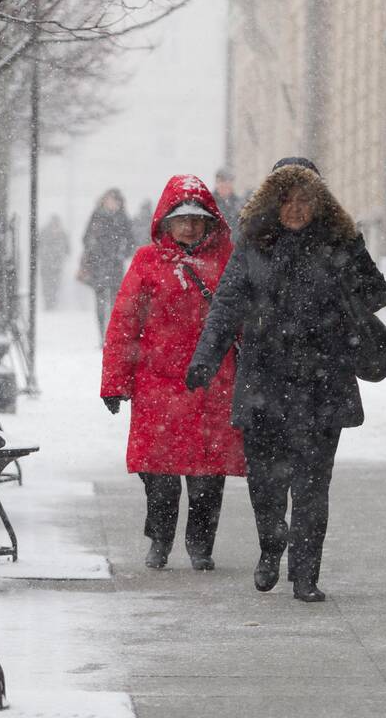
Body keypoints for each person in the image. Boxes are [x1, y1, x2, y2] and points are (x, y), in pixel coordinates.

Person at [187, 157, 386, 602]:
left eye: (306, 200)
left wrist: (345, 282)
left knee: (314, 484)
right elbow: (225, 308)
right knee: (266, 484)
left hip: (324, 380)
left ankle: (305, 575)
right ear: (272, 202)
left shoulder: (342, 242)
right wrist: (205, 360)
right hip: (265, 381)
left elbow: (379, 293)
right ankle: (271, 543)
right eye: (287, 200)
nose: (296, 209)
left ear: (320, 203)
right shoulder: (253, 244)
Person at [100, 175, 245, 571]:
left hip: (212, 383)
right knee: (159, 477)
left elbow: (243, 319)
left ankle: (200, 544)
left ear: (209, 221)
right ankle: (160, 539)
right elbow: (124, 325)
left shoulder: (228, 259)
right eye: (181, 219)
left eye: (197, 219)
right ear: (165, 222)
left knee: (206, 478)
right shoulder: (147, 261)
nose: (189, 226)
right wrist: (115, 383)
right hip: (158, 385)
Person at [79, 188, 137, 343]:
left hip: (115, 266)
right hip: (98, 265)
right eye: (109, 199)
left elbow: (131, 241)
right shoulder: (97, 215)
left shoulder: (123, 218)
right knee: (100, 302)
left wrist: (121, 254)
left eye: (115, 200)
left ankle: (111, 335)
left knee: (115, 303)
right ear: (104, 200)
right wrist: (94, 248)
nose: (111, 203)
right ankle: (102, 336)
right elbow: (85, 238)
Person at [39, 214, 70, 310]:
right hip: (47, 264)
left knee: (54, 284)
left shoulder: (62, 234)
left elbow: (68, 249)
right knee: (48, 284)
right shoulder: (45, 232)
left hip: (55, 264)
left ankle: (52, 302)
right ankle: (49, 303)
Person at [212, 167, 243, 235]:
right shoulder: (209, 203)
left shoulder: (240, 204)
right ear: (217, 183)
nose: (225, 185)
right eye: (222, 181)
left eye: (228, 181)